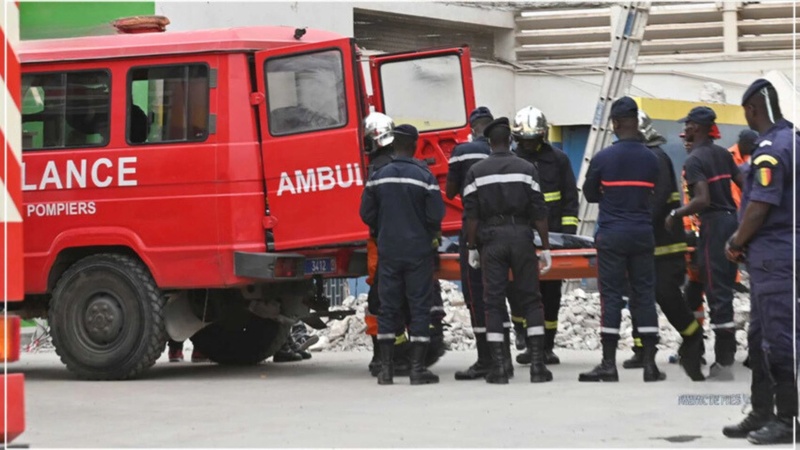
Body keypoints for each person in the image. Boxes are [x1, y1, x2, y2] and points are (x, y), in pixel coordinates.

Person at [723, 79, 799, 445]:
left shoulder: (772, 147)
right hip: (770, 257)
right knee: (759, 338)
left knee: (779, 339)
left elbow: (760, 206)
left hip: (776, 255)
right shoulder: (790, 140)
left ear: (752, 110)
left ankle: (788, 420)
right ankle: (761, 411)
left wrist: (736, 242)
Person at [462, 117, 553, 384]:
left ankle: (500, 368)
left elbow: (471, 215)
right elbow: (539, 210)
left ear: (489, 143)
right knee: (531, 300)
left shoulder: (476, 171)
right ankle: (538, 367)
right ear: (510, 140)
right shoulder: (527, 168)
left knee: (492, 302)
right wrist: (545, 246)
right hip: (522, 237)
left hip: (491, 240)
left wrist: (471, 247)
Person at [580, 97, 664, 383]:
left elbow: (590, 194)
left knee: (612, 296)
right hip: (642, 234)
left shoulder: (603, 158)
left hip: (613, 235)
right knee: (644, 295)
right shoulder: (652, 158)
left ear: (615, 123)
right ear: (635, 121)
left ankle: (608, 364)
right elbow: (655, 195)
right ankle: (651, 366)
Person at [620, 111, 704, 381]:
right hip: (644, 243)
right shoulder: (640, 158)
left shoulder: (655, 157)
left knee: (666, 295)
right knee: (639, 298)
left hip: (663, 244)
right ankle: (644, 351)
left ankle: (693, 338)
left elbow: (656, 203)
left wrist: (637, 224)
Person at [360, 124, 445, 386]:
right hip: (418, 252)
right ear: (415, 145)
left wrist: (383, 228)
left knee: (388, 308)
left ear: (393, 143)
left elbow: (366, 214)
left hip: (388, 251)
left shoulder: (378, 176)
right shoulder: (424, 176)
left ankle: (386, 371)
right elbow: (436, 215)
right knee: (419, 308)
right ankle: (417, 370)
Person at [665, 106, 743, 380]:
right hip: (731, 222)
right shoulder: (723, 154)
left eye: (687, 125)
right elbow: (744, 183)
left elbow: (702, 200)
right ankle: (699, 350)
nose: (684, 130)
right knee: (702, 287)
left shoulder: (695, 160)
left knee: (717, 291)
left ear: (696, 127)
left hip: (714, 226)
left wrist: (676, 214)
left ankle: (724, 362)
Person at [446, 106, 513, 380]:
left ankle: (486, 359)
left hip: (474, 229)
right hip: (507, 230)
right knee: (499, 294)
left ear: (473, 127)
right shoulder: (508, 152)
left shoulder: (462, 152)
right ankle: (505, 358)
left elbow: (450, 191)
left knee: (476, 295)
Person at [510, 106, 578, 366]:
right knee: (521, 290)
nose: (529, 145)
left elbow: (570, 198)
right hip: (521, 237)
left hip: (554, 237)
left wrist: (567, 236)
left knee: (551, 293)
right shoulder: (513, 160)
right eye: (525, 140)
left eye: (533, 139)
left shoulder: (559, 160)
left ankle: (547, 346)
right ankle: (527, 339)